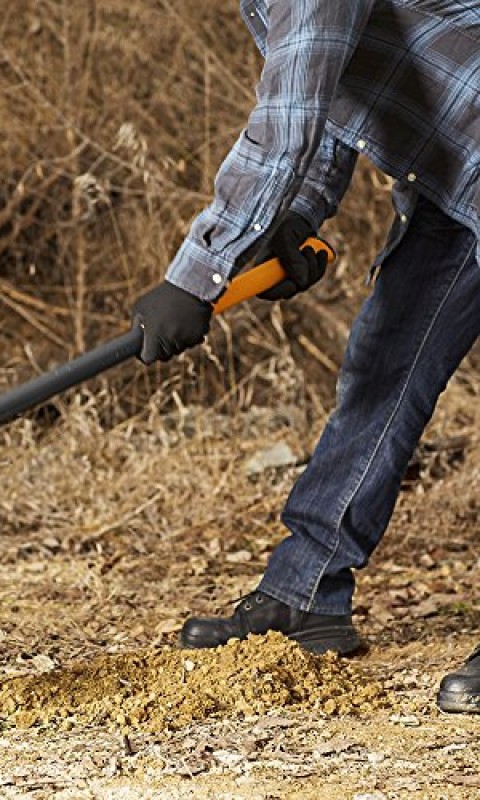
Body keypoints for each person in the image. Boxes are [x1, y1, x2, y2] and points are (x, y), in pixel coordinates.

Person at [132, 0, 479, 714]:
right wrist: (296, 218)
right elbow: (332, 96)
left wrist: (195, 275)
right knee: (385, 365)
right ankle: (305, 593)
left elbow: (287, 119)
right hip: (454, 177)